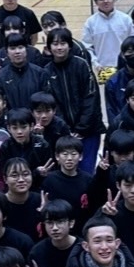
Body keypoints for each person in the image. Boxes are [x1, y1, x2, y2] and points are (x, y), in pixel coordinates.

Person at [42, 26, 104, 171]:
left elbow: (91, 97)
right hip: (62, 134)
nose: (59, 47)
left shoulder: (82, 65)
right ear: (49, 47)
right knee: (66, 172)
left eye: (63, 43)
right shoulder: (46, 72)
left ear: (70, 45)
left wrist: (81, 129)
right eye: (55, 44)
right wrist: (66, 130)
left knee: (86, 171)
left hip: (88, 131)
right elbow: (51, 104)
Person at [41, 136, 94, 235]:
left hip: (81, 230)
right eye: (65, 154)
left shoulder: (88, 179)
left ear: (81, 156)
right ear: (57, 156)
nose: (69, 158)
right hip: (57, 229)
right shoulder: (49, 179)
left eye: (73, 154)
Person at [82, 0, 134, 74]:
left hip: (125, 66)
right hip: (103, 69)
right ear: (96, 2)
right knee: (106, 84)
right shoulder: (90, 23)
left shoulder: (125, 19)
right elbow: (87, 47)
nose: (105, 1)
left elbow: (133, 41)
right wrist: (95, 63)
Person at [0, 33, 49, 113]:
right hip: (12, 120)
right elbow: (0, 103)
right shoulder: (0, 76)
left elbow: (46, 100)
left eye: (20, 47)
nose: (17, 52)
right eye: (12, 48)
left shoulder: (39, 73)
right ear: (7, 52)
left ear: (26, 50)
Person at [0, 108, 52, 190]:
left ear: (31, 126)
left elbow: (49, 172)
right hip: (14, 189)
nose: (19, 132)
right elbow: (6, 175)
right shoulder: (6, 147)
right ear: (8, 128)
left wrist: (42, 172)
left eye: (23, 127)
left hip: (38, 187)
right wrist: (35, 173)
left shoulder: (43, 145)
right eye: (15, 128)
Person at [29, 199, 77, 267]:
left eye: (60, 222)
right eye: (49, 223)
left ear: (71, 223)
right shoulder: (37, 252)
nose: (54, 228)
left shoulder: (83, 248)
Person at [1, 158, 42, 241]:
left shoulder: (40, 200)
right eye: (14, 176)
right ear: (5, 179)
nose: (21, 180)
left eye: (25, 174)